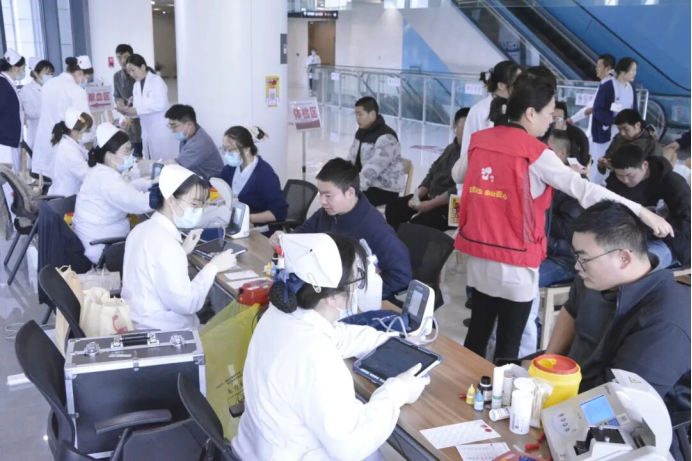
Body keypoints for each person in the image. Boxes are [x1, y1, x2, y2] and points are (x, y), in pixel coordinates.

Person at [454, 72, 673, 362]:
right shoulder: (535, 152)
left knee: (477, 334)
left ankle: (464, 385)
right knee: (508, 345)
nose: (551, 121)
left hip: (479, 254)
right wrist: (640, 211)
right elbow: (585, 191)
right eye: (549, 113)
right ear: (530, 113)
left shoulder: (481, 140)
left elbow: (458, 174)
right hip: (516, 262)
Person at [233, 232, 430, 460]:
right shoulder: (316, 355)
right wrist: (397, 392)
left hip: (256, 446)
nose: (357, 289)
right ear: (332, 297)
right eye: (356, 280)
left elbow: (337, 335)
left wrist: (390, 341)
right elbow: (350, 447)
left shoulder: (281, 315)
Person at [546, 201, 690, 418]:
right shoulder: (593, 278)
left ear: (624, 258)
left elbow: (621, 404)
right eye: (577, 257)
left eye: (584, 259)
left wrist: (553, 401)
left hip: (625, 420)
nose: (577, 266)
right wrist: (547, 363)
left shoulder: (666, 320)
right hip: (570, 384)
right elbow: (572, 310)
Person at [270, 158, 412, 300]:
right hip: (326, 288)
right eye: (321, 194)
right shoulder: (326, 213)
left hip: (354, 301)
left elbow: (402, 277)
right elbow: (301, 236)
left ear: (350, 192)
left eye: (328, 195)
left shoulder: (375, 228)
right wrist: (283, 239)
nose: (322, 201)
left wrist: (358, 289)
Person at [122, 165, 238, 331]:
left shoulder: (141, 229)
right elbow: (187, 303)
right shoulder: (167, 244)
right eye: (194, 204)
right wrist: (213, 267)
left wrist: (182, 251)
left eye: (202, 205)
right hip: (164, 331)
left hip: (139, 320)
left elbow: (154, 269)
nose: (199, 210)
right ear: (171, 200)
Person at [73, 124, 153, 265]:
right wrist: (165, 194)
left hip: (101, 237)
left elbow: (124, 190)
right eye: (126, 151)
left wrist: (149, 183)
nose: (131, 155)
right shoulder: (106, 178)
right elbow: (136, 203)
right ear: (110, 155)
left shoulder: (101, 171)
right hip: (103, 247)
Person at [606, 144, 691, 268]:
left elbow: (686, 221)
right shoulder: (614, 183)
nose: (625, 180)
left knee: (634, 266)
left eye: (630, 175)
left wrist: (653, 229)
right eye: (620, 175)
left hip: (669, 241)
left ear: (644, 166)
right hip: (624, 237)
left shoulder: (673, 183)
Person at [385, 108, 469, 232]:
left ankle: (407, 241)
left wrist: (430, 204)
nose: (470, 132)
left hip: (451, 206)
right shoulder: (450, 148)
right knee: (394, 208)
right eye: (465, 128)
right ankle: (396, 241)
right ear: (455, 128)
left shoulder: (472, 154)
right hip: (432, 196)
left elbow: (458, 189)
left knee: (416, 226)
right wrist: (417, 196)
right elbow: (431, 174)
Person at [33, 56, 93, 177]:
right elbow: (85, 122)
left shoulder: (48, 84)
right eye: (86, 78)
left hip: (44, 146)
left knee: (46, 181)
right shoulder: (76, 90)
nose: (84, 81)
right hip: (63, 147)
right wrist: (92, 139)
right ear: (79, 73)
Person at [219, 126, 288, 227]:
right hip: (235, 224)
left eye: (230, 150)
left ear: (246, 149)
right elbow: (216, 184)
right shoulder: (231, 169)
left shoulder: (264, 174)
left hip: (259, 229)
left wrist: (246, 218)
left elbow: (279, 213)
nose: (226, 154)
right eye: (224, 149)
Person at [347, 97, 405, 207]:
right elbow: (351, 158)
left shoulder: (387, 137)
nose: (357, 118)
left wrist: (354, 188)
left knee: (348, 201)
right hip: (366, 184)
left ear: (372, 114)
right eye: (356, 114)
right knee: (338, 196)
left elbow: (374, 168)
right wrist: (342, 178)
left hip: (384, 189)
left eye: (360, 114)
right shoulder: (361, 132)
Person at [119, 54, 178, 161]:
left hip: (160, 129)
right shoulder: (136, 86)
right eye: (129, 72)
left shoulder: (157, 81)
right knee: (151, 160)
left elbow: (161, 104)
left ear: (142, 67)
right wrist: (128, 112)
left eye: (133, 70)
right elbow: (139, 109)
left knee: (165, 162)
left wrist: (136, 110)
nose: (132, 74)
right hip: (147, 130)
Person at [590, 57, 638, 184]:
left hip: (623, 136)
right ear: (623, 70)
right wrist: (616, 121)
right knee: (600, 166)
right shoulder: (608, 85)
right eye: (632, 70)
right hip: (606, 134)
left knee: (616, 166)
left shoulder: (631, 87)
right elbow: (597, 110)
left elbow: (634, 111)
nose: (635, 73)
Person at [165, 104, 223, 182]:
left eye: (174, 126)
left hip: (211, 184)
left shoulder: (199, 142)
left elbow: (177, 167)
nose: (172, 130)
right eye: (170, 126)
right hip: (197, 179)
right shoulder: (187, 136)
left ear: (189, 125)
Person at [597, 109, 662, 175]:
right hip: (615, 178)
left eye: (625, 129)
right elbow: (607, 159)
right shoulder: (618, 138)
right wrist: (601, 165)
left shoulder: (651, 144)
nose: (622, 133)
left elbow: (656, 173)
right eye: (619, 129)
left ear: (638, 125)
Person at [47, 108, 94, 197]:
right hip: (66, 199)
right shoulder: (68, 149)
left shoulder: (72, 144)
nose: (90, 132)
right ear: (74, 132)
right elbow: (86, 175)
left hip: (70, 194)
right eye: (87, 130)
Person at [567, 54, 616, 126]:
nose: (596, 69)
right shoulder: (604, 84)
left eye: (599, 66)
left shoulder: (610, 86)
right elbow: (590, 108)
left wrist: (572, 119)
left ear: (608, 69)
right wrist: (572, 119)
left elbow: (590, 108)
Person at [113, 44, 143, 158]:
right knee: (132, 147)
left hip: (141, 115)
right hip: (127, 117)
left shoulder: (139, 74)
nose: (122, 60)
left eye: (125, 56)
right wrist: (119, 102)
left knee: (144, 142)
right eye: (119, 57)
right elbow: (117, 95)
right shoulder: (117, 76)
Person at [20, 58, 55, 152]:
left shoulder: (52, 88)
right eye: (46, 73)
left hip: (53, 132)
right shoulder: (27, 90)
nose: (49, 76)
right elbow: (29, 112)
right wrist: (48, 110)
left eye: (51, 74)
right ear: (35, 73)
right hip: (37, 132)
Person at [0, 49, 26, 172]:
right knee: (7, 178)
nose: (23, 71)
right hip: (4, 141)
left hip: (10, 139)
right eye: (23, 68)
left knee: (12, 175)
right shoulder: (2, 84)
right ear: (15, 68)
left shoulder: (7, 83)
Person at [547, 101, 591, 168]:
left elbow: (579, 164)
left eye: (558, 119)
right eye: (552, 117)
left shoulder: (577, 137)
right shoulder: (542, 131)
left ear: (564, 121)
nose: (554, 122)